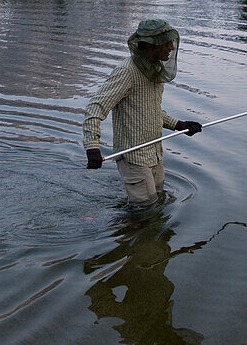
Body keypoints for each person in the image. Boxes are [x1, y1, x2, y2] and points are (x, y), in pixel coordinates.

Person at [84, 19, 202, 206]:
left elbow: (151, 110)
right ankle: (104, 225)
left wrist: (179, 125)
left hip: (154, 153)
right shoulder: (127, 72)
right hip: (134, 158)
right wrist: (92, 147)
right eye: (166, 42)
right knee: (143, 211)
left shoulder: (155, 70)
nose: (171, 47)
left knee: (156, 204)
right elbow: (95, 108)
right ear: (150, 45)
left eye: (171, 42)